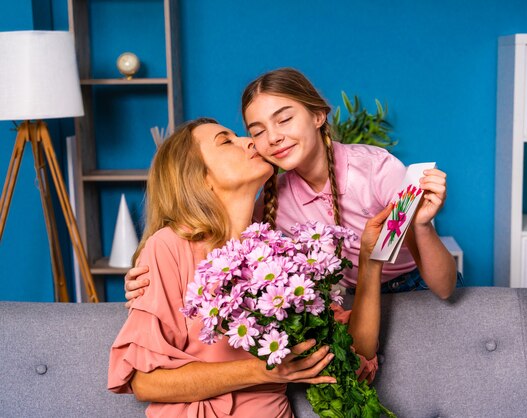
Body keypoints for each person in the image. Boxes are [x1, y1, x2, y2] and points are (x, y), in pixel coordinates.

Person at [108, 118, 388, 417]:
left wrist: (371, 261)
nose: (250, 141)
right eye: (226, 141)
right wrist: (264, 370)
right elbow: (145, 383)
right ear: (200, 178)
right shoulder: (169, 247)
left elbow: (356, 354)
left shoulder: (282, 253)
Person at [125, 68, 458, 299]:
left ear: (317, 116)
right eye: (257, 131)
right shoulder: (272, 204)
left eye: (284, 119)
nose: (273, 137)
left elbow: (443, 287)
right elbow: (214, 250)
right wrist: (147, 279)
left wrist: (424, 227)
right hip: (355, 298)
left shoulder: (375, 170)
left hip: (417, 285)